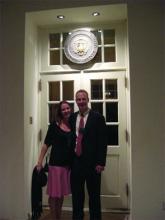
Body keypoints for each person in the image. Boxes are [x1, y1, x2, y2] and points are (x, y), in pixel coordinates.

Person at [69, 89, 107, 220]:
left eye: (83, 99)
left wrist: (101, 162)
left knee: (94, 196)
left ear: (88, 100)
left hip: (93, 164)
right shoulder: (72, 117)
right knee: (77, 196)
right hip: (76, 162)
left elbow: (102, 142)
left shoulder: (98, 118)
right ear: (76, 101)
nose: (81, 102)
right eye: (78, 99)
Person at [36, 101, 73, 220]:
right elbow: (46, 144)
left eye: (68, 108)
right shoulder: (54, 125)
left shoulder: (72, 125)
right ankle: (53, 217)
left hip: (66, 166)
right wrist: (39, 162)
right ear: (60, 112)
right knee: (53, 194)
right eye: (63, 109)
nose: (66, 110)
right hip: (55, 165)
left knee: (61, 194)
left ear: (70, 109)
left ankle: (59, 216)